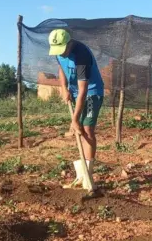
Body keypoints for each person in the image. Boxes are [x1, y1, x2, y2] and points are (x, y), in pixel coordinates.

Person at [48, 28, 104, 190]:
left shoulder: (81, 56)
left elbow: (83, 90)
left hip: (92, 92)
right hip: (74, 91)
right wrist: (64, 88)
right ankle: (81, 175)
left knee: (86, 130)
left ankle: (88, 175)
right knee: (80, 130)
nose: (62, 53)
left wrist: (74, 120)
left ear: (70, 43)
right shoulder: (59, 52)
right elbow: (61, 68)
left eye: (63, 49)